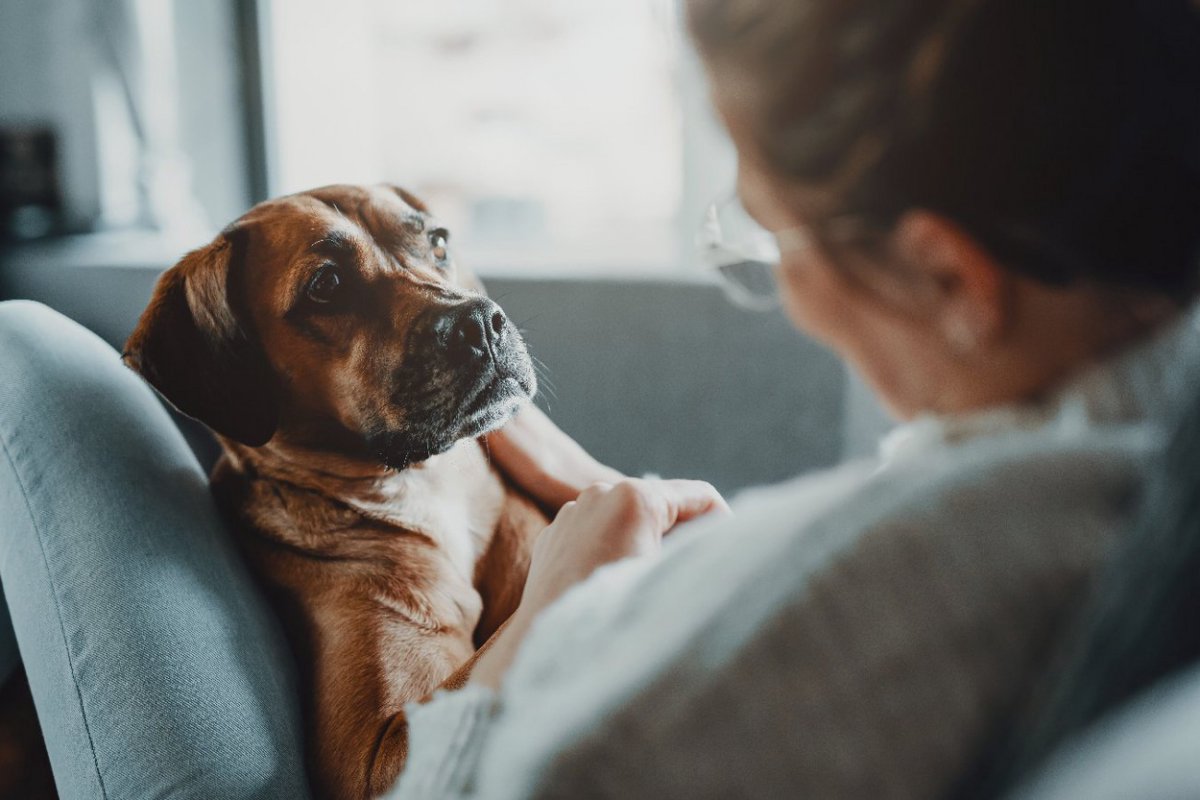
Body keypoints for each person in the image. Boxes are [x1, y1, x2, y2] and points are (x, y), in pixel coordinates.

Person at [0, 1, 1197, 799]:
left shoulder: (912, 588)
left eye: (764, 237)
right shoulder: (1114, 465)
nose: (772, 278)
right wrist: (588, 489)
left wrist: (561, 592)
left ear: (950, 277)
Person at [382, 1, 1200, 797]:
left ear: (951, 280)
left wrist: (552, 615)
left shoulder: (865, 608)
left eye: (769, 233)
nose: (790, 294)